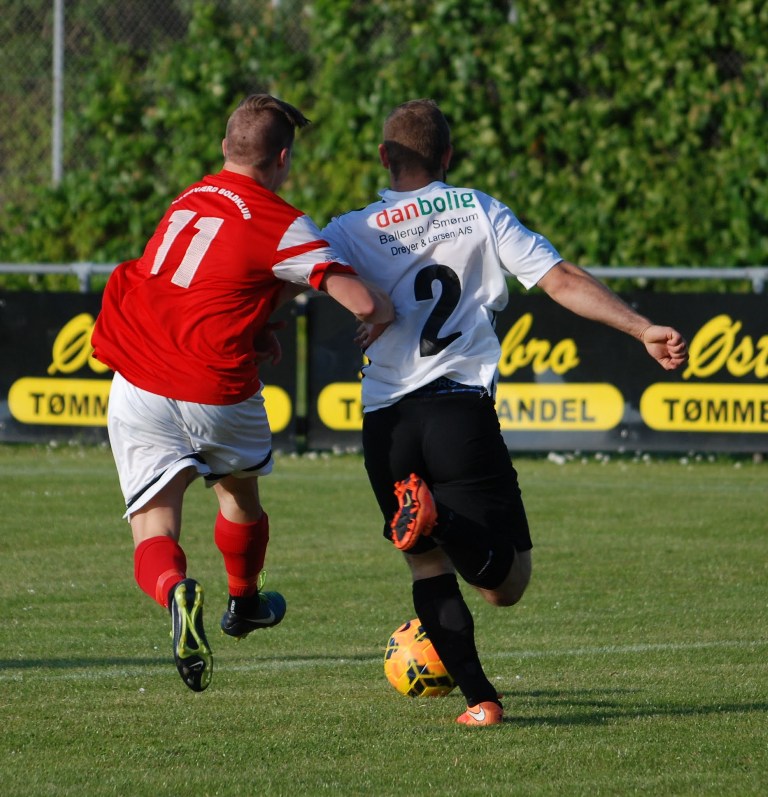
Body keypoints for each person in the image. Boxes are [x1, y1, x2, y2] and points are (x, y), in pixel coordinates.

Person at [322, 99, 688, 726]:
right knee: (506, 585)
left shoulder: (349, 230)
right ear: (448, 156)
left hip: (386, 423)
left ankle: (481, 702)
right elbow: (559, 278)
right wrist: (641, 327)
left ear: (384, 158)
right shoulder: (477, 208)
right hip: (458, 414)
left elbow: (286, 275)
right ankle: (440, 518)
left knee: (426, 564)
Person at [91, 94, 394, 693]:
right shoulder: (279, 219)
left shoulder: (186, 199)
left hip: (137, 379)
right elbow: (358, 300)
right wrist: (381, 309)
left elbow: (199, 289)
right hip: (213, 385)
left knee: (154, 529)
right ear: (282, 158)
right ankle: (244, 600)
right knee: (239, 497)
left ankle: (176, 591)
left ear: (226, 147)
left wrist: (255, 325)